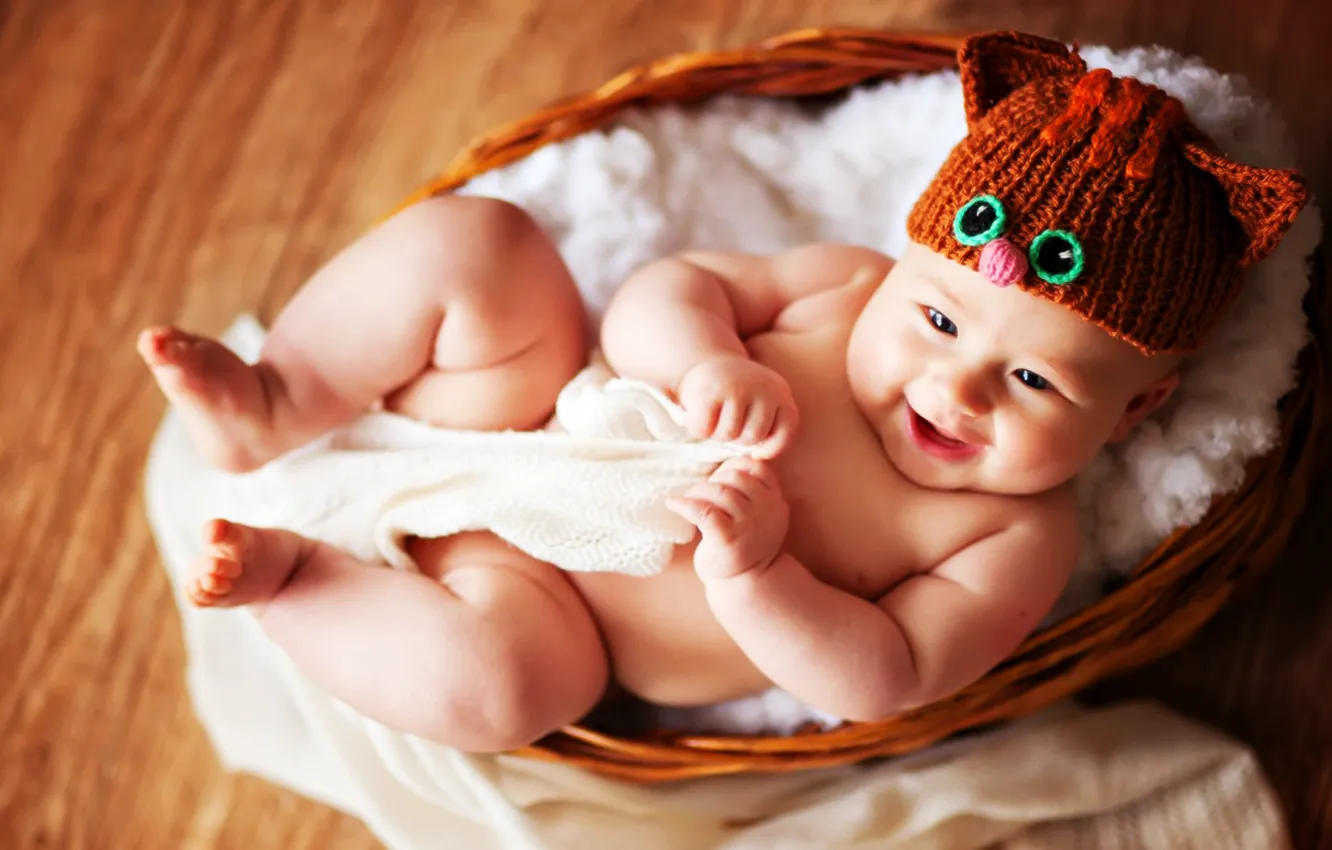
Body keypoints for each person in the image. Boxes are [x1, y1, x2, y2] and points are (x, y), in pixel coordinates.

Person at [138, 31, 1308, 753]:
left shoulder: (1013, 533)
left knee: (502, 691)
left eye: (1038, 378)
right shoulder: (843, 292)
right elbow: (676, 282)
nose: (955, 384)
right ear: (903, 267)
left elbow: (887, 676)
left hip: (548, 603)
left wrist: (761, 578)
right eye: (941, 317)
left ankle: (301, 585)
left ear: (1136, 415)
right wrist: (705, 358)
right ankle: (278, 396)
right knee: (483, 248)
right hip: (525, 401)